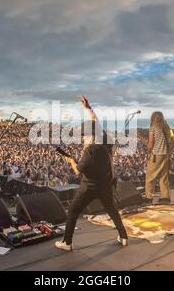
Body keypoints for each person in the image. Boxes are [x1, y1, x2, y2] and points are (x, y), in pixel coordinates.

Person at [55, 96, 128, 251]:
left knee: (73, 210)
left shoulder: (90, 151)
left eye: (85, 135)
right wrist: (88, 108)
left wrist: (70, 161)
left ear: (91, 135)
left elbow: (77, 172)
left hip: (89, 187)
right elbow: (96, 122)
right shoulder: (106, 142)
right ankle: (123, 236)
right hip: (106, 185)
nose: (83, 138)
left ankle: (67, 243)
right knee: (111, 210)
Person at [144, 111, 174, 205]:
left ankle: (149, 197)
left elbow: (150, 146)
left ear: (153, 118)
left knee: (150, 177)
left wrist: (148, 147)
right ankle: (165, 197)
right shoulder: (168, 127)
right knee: (163, 177)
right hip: (165, 155)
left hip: (156, 155)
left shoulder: (153, 128)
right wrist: (169, 151)